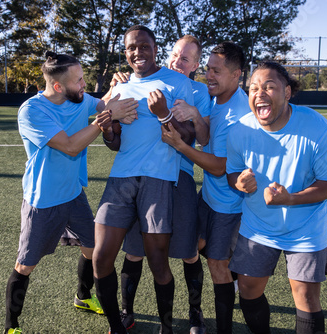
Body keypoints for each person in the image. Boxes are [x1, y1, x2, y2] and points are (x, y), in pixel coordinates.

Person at [3, 51, 138, 334]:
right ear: (57, 87)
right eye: (78, 80)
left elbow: (104, 104)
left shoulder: (79, 98)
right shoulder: (32, 111)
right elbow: (70, 146)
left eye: (83, 78)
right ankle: (11, 326)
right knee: (25, 265)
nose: (84, 85)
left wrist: (118, 89)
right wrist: (107, 116)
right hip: (43, 201)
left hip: (73, 194)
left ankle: (83, 296)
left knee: (93, 250)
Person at [91, 25, 195, 334]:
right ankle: (117, 326)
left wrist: (164, 114)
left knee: (158, 261)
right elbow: (115, 143)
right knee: (101, 258)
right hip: (120, 180)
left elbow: (189, 138)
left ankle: (166, 327)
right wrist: (109, 128)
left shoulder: (177, 83)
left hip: (159, 179)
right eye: (131, 48)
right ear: (125, 52)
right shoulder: (121, 87)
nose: (138, 53)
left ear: (155, 47)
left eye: (144, 46)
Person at [226, 61, 327, 334]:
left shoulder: (317, 128)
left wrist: (290, 199)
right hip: (258, 224)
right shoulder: (240, 130)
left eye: (269, 87)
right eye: (254, 88)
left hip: (306, 227)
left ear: (287, 93)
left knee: (305, 296)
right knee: (247, 288)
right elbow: (232, 172)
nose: (260, 93)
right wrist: (240, 183)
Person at [113, 35, 211, 334]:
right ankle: (127, 311)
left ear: (195, 65)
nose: (177, 63)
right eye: (175, 56)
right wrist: (118, 84)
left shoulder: (198, 91)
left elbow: (202, 137)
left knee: (188, 250)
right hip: (140, 176)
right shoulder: (139, 79)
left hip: (178, 176)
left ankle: (195, 313)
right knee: (134, 249)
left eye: (185, 59)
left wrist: (193, 114)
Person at [161, 41, 250, 334]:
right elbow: (208, 130)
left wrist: (179, 146)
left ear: (236, 74)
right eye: (209, 68)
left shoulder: (238, 114)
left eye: (217, 71)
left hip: (229, 204)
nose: (209, 76)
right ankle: (232, 272)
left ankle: (223, 327)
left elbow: (219, 166)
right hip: (210, 197)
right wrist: (198, 116)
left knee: (217, 266)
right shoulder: (218, 97)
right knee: (195, 244)